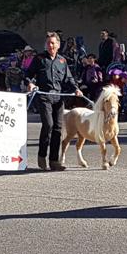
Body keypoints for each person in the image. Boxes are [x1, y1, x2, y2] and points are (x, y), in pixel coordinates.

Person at [26, 32, 82, 171]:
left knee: (58, 128)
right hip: (44, 96)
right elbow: (28, 74)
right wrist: (30, 83)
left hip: (58, 97)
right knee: (48, 125)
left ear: (58, 45)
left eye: (52, 43)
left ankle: (54, 160)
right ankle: (42, 156)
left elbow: (68, 79)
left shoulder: (62, 61)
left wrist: (76, 89)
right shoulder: (39, 59)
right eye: (48, 43)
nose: (50, 45)